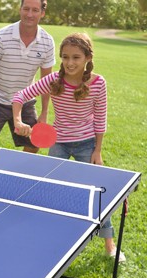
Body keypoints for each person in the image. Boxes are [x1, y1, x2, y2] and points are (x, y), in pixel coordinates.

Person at [12, 32, 125, 261]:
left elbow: (100, 119)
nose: (69, 63)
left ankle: (109, 244)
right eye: (65, 57)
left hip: (87, 144)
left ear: (87, 58)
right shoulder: (53, 80)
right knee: (52, 190)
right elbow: (20, 96)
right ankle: (51, 236)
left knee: (97, 193)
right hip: (59, 143)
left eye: (76, 57)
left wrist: (97, 150)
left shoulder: (98, 83)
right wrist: (17, 120)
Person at [0, 0, 55, 162]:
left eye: (35, 10)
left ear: (42, 13)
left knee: (34, 143)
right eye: (26, 9)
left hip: (25, 101)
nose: (29, 14)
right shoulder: (1, 37)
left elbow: (46, 81)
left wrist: (44, 112)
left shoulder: (47, 41)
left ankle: (16, 171)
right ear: (20, 9)